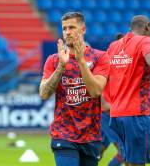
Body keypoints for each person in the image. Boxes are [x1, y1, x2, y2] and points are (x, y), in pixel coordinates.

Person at [39, 11, 110, 166]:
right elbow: (44, 94)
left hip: (91, 135)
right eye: (64, 28)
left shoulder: (100, 58)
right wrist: (61, 67)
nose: (67, 32)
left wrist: (81, 62)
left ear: (83, 29)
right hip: (63, 134)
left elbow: (96, 91)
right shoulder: (54, 60)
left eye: (72, 27)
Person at [106, 15, 150, 166]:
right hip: (136, 114)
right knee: (138, 163)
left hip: (116, 115)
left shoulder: (114, 46)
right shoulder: (144, 40)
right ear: (147, 26)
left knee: (128, 160)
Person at [100, 32, 125, 166]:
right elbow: (97, 85)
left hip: (117, 114)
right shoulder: (108, 62)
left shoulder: (126, 65)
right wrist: (104, 104)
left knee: (98, 150)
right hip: (107, 114)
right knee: (125, 151)